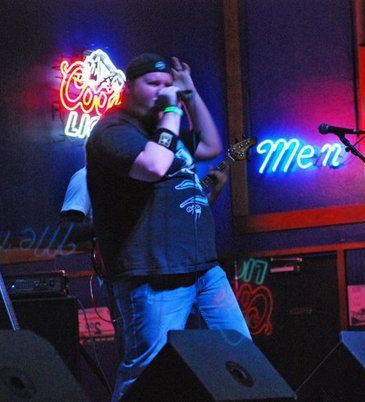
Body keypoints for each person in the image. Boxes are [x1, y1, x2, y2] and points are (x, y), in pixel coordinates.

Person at [85, 53, 250, 401]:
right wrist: (173, 109)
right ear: (129, 87)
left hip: (203, 266)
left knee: (240, 358)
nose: (162, 90)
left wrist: (190, 93)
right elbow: (154, 166)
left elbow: (211, 145)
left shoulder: (164, 130)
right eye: (153, 83)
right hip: (153, 272)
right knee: (148, 371)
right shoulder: (113, 130)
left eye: (167, 84)